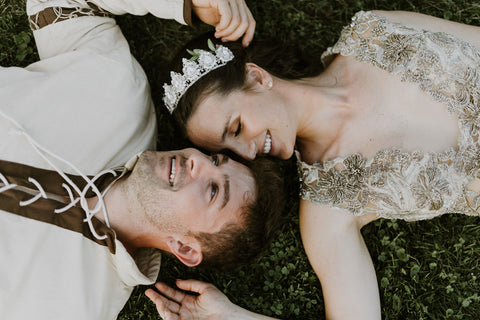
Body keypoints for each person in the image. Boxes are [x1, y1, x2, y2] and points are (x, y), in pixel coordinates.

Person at [147, 9, 480, 319]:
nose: (247, 153)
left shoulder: (372, 31)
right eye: (229, 151)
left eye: (236, 128)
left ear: (257, 77)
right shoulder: (328, 203)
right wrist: (233, 317)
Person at [0, 1, 285, 319]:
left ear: (185, 248)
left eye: (213, 191)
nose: (197, 161)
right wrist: (187, 4)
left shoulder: (77, 307)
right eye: (215, 160)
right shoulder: (120, 95)